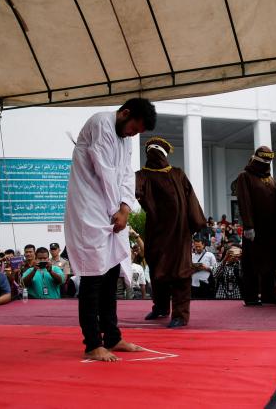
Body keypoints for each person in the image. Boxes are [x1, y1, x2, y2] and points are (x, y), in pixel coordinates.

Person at [64, 97, 156, 361]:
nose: (132, 135)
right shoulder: (102, 123)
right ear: (124, 113)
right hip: (90, 209)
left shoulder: (125, 138)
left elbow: (127, 174)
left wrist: (125, 208)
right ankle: (93, 343)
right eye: (133, 129)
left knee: (112, 271)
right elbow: (104, 171)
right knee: (93, 277)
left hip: (115, 210)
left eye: (137, 133)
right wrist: (119, 211)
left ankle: (112, 337)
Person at [136, 136, 206, 328]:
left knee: (180, 273)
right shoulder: (141, 175)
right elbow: (133, 191)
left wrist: (196, 225)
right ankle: (160, 307)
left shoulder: (178, 173)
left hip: (179, 232)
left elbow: (190, 198)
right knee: (158, 270)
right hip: (157, 231)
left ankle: (180, 315)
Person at [236, 146, 276, 305]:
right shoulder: (245, 176)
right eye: (263, 161)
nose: (266, 164)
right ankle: (251, 297)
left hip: (270, 230)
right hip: (254, 228)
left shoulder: (270, 179)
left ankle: (269, 295)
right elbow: (244, 202)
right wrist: (248, 226)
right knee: (251, 263)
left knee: (269, 263)